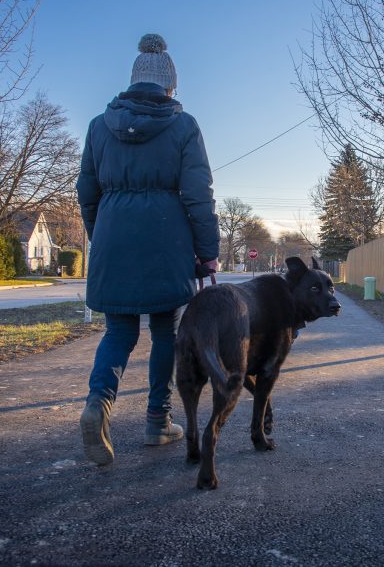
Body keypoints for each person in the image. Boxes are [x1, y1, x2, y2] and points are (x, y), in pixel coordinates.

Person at [76, 33, 219, 466]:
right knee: (165, 332)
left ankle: (97, 404)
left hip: (113, 238)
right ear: (169, 85)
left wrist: (100, 235)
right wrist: (207, 251)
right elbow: (198, 193)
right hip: (166, 242)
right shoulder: (183, 124)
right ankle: (158, 420)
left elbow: (87, 190)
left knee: (118, 331)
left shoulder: (100, 125)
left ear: (133, 81)